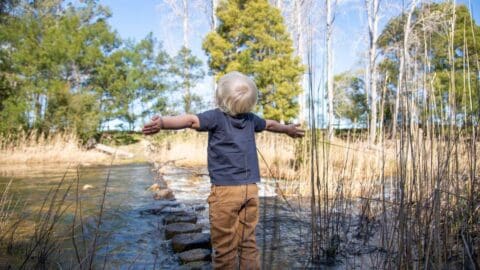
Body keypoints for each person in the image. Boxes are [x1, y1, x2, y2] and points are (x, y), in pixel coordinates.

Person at [142, 71, 304, 269]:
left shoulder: (216, 117)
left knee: (224, 247)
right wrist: (288, 129)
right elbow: (270, 124)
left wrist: (163, 123)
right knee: (248, 242)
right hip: (250, 190)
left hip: (225, 192)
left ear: (220, 98)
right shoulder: (252, 119)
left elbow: (190, 120)